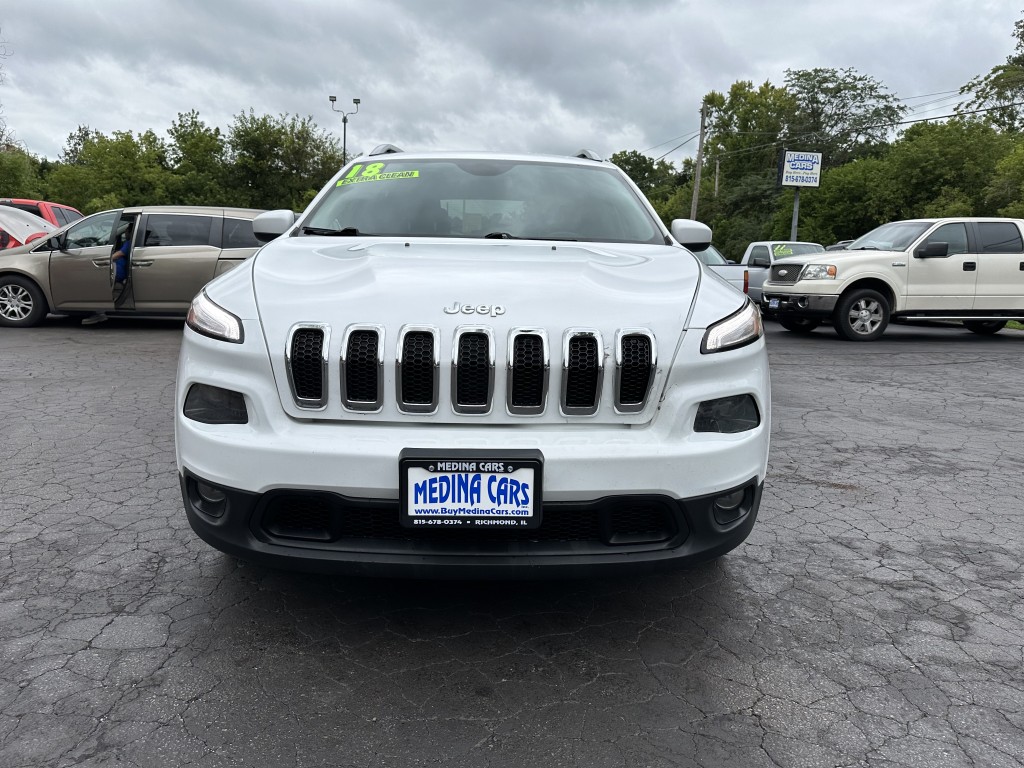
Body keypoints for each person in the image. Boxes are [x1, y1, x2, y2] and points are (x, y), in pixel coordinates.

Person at [82, 222, 133, 325]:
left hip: (117, 272)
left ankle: (98, 312)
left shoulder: (129, 243)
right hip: (116, 270)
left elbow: (119, 254)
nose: (125, 232)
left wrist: (106, 259)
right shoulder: (129, 242)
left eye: (127, 230)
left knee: (96, 282)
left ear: (130, 232)